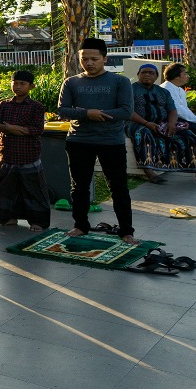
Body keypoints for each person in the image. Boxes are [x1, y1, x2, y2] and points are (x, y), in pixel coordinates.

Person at [56, 38, 137, 242]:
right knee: (79, 186)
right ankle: (80, 225)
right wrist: (86, 113)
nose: (89, 63)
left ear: (105, 59)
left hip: (112, 141)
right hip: (79, 140)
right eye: (85, 59)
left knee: (118, 186)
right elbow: (63, 110)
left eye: (94, 59)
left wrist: (97, 114)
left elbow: (126, 111)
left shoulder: (120, 81)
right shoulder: (71, 82)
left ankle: (126, 231)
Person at [0, 70, 50, 231]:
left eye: (22, 84)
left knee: (33, 190)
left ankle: (38, 221)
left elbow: (37, 129)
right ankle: (8, 217)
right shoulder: (4, 104)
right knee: (6, 188)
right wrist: (13, 129)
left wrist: (10, 128)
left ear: (31, 86)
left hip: (28, 154)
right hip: (8, 154)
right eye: (15, 83)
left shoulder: (36, 106)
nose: (17, 87)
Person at [131, 64, 196, 183]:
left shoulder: (163, 92)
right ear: (138, 75)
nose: (147, 75)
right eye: (144, 72)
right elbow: (128, 110)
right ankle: (149, 172)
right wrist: (146, 123)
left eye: (151, 73)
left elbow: (172, 110)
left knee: (189, 135)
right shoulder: (130, 90)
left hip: (162, 123)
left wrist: (171, 124)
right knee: (143, 134)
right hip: (137, 123)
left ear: (157, 77)